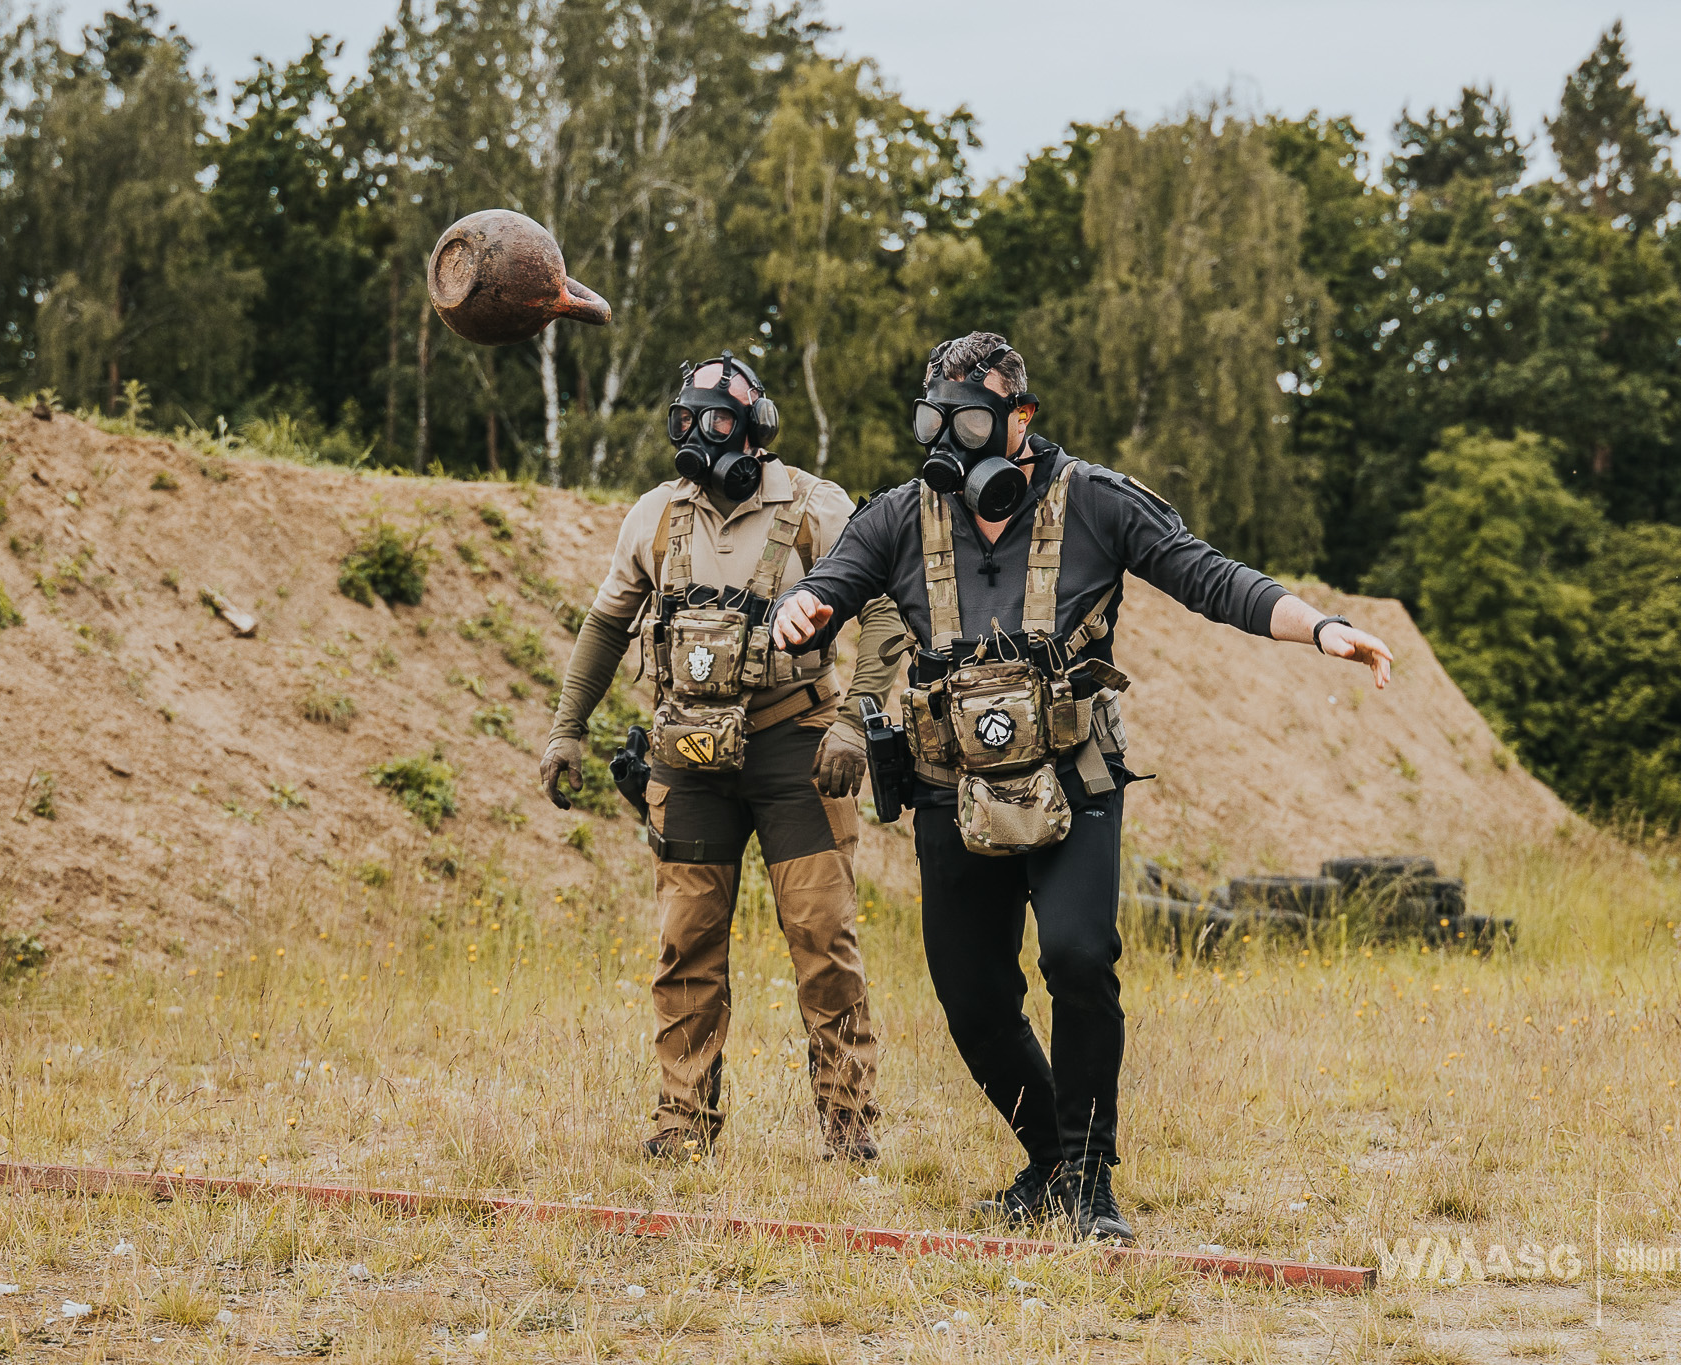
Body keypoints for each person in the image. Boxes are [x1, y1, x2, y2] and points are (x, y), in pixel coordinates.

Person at [769, 332, 1393, 1241]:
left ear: (1021, 419)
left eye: (971, 421)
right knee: (972, 997)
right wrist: (804, 607)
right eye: (932, 422)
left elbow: (1209, 576)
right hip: (949, 785)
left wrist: (1323, 628)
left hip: (1074, 779)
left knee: (1077, 959)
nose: (950, 441)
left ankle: (1090, 1181)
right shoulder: (899, 516)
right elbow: (828, 584)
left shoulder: (1097, 501)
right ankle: (1052, 1161)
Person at [540, 351, 905, 1162]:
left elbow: (885, 614)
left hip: (798, 752)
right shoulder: (655, 517)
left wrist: (853, 724)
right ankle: (682, 1126)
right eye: (685, 423)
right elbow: (605, 626)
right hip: (688, 755)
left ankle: (848, 1128)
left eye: (719, 423)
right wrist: (568, 726)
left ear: (757, 430)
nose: (700, 440)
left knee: (822, 938)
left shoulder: (818, 509)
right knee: (687, 941)